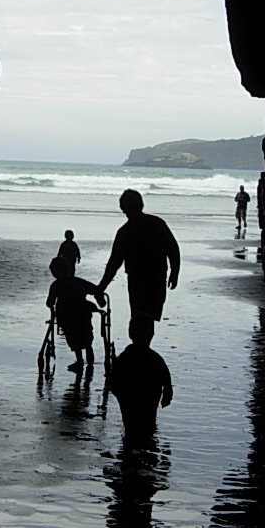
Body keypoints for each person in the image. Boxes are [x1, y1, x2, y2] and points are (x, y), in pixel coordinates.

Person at [97, 189, 180, 321]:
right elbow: (173, 249)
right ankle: (143, 342)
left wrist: (102, 287)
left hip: (138, 280)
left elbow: (114, 263)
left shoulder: (124, 232)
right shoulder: (157, 223)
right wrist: (174, 272)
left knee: (138, 316)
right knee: (149, 317)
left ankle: (139, 341)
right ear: (141, 204)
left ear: (122, 208)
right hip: (157, 277)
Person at [109, 313, 173, 442]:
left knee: (130, 428)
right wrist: (167, 394)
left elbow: (113, 382)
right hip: (149, 398)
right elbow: (167, 382)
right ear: (151, 334)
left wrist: (119, 394)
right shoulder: (155, 358)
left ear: (130, 333)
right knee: (148, 427)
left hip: (128, 398)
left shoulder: (124, 358)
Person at [46, 256, 105, 372]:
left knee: (74, 340)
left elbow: (50, 303)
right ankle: (89, 362)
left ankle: (79, 361)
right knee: (87, 338)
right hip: (82, 313)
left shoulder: (56, 285)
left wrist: (50, 305)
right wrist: (101, 301)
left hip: (66, 316)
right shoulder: (78, 282)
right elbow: (95, 289)